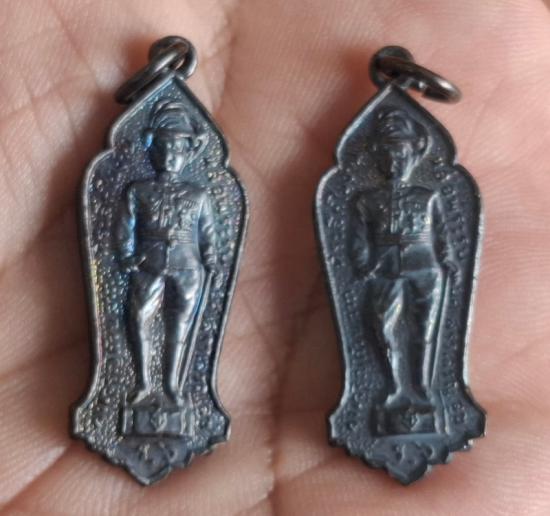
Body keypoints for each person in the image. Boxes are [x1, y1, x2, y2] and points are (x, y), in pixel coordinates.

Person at [351, 109, 458, 428]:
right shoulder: (366, 199)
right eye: (386, 155)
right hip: (384, 268)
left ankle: (423, 387)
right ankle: (393, 387)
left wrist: (447, 257)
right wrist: (363, 263)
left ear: (412, 155)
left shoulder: (428, 197)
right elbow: (358, 238)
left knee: (423, 329)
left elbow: (442, 232)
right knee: (381, 327)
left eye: (399, 154)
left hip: (425, 268)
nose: (393, 162)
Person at [116, 99, 217, 406]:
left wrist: (211, 257)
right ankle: (142, 383)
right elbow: (125, 227)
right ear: (153, 150)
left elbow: (207, 232)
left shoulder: (199, 194)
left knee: (181, 323)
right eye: (164, 148)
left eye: (177, 149)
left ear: (187, 153)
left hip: (188, 266)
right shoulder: (138, 190)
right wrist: (127, 256)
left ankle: (172, 385)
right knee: (138, 318)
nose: (170, 156)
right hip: (148, 263)